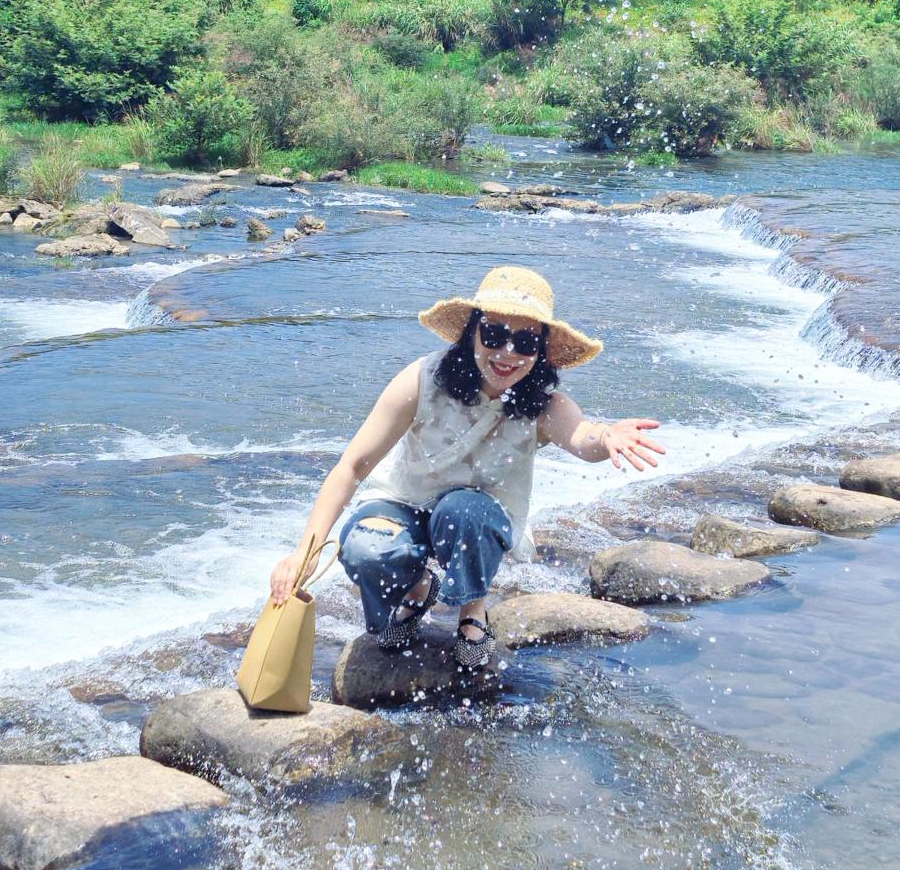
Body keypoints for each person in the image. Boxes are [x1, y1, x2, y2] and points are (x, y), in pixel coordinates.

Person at [269, 266, 665, 669]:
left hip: (475, 516)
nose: (507, 352)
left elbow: (582, 436)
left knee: (464, 511)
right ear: (471, 333)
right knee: (366, 548)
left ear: (541, 351)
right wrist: (305, 552)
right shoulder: (423, 379)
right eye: (494, 334)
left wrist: (607, 436)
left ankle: (473, 612)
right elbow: (352, 466)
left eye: (525, 341)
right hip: (401, 503)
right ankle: (418, 590)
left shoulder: (544, 404)